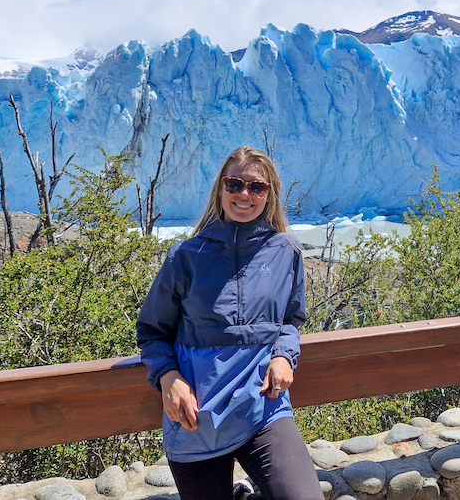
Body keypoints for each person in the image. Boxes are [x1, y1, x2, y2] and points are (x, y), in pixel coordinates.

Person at [137, 145, 322, 500]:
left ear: (269, 194)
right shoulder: (186, 256)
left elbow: (291, 318)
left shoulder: (287, 251)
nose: (244, 194)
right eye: (235, 184)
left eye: (257, 187)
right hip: (196, 417)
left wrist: (284, 354)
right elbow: (152, 332)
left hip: (262, 408)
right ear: (220, 189)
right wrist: (168, 378)